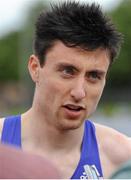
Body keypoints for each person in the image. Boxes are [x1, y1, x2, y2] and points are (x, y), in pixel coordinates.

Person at [0, 1, 131, 179]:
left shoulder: (122, 158)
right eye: (68, 71)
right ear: (35, 68)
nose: (79, 92)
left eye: (93, 76)